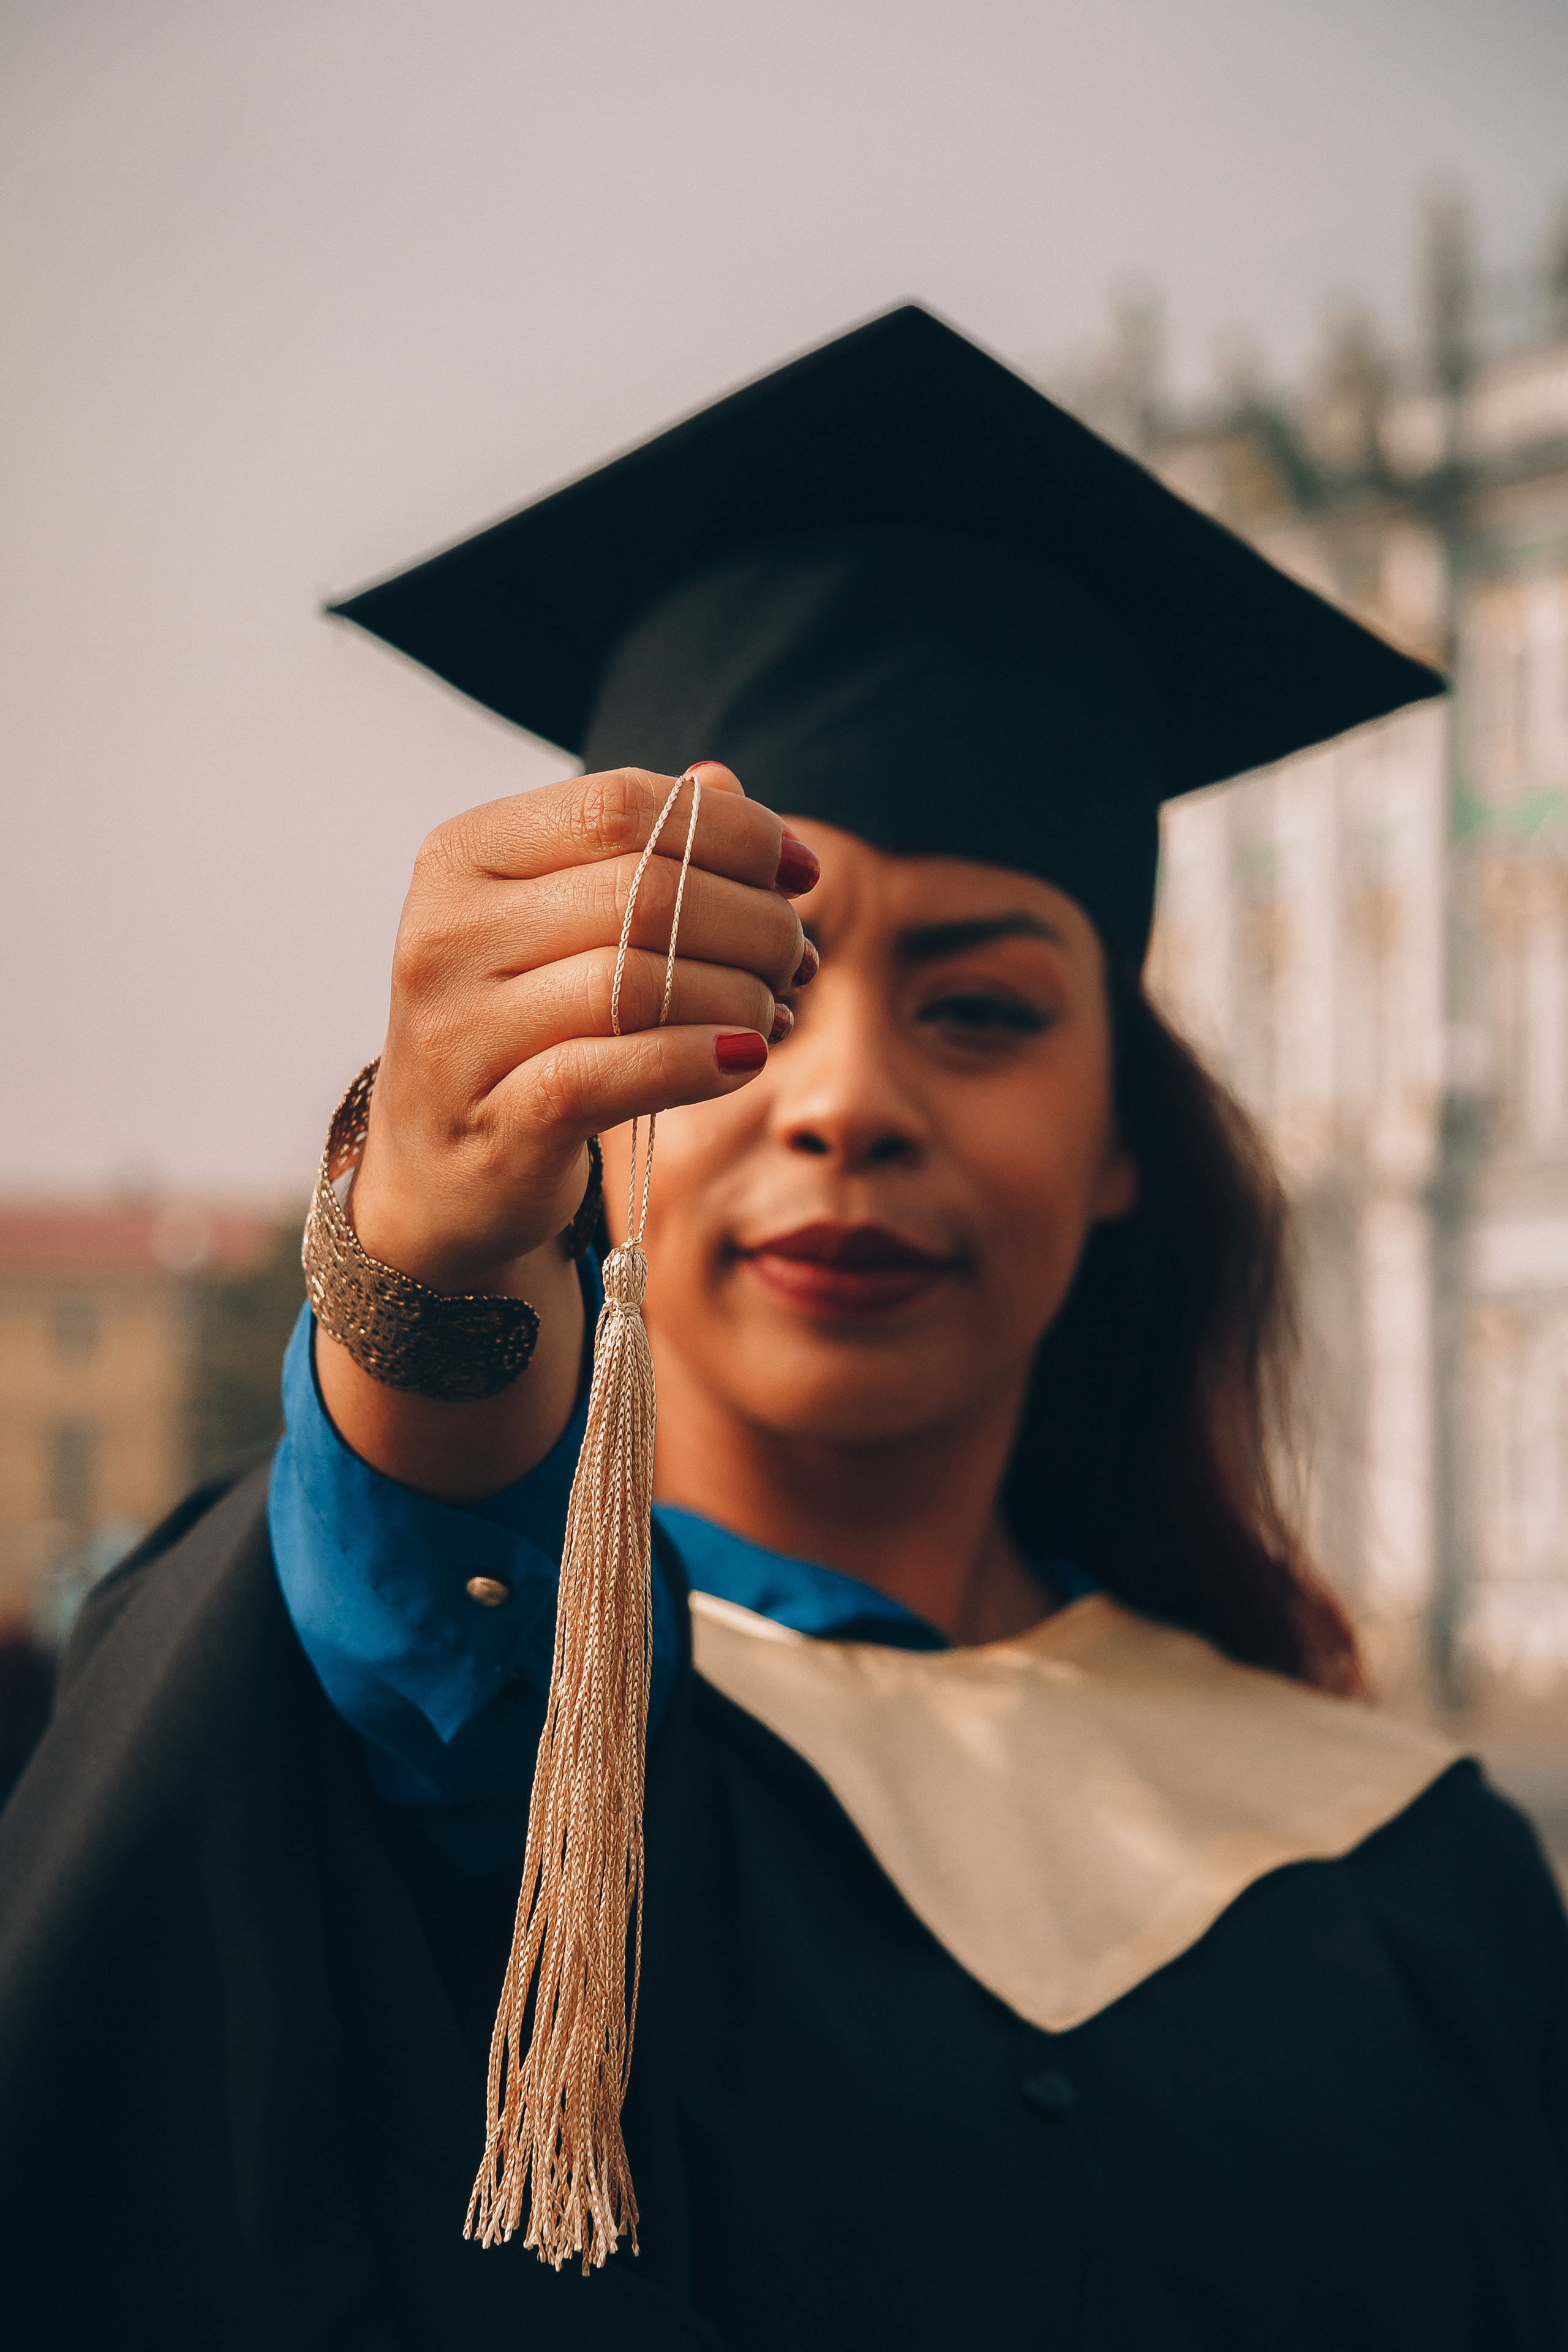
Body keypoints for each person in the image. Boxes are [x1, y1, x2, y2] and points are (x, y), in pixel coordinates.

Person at [3, 306, 1566, 2352]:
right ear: (600, 1086)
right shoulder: (445, 1748)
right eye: (748, 995)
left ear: (1122, 1143)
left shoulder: (1413, 1884)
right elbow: (418, 1621)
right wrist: (427, 1274)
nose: (846, 1100)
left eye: (985, 1007)